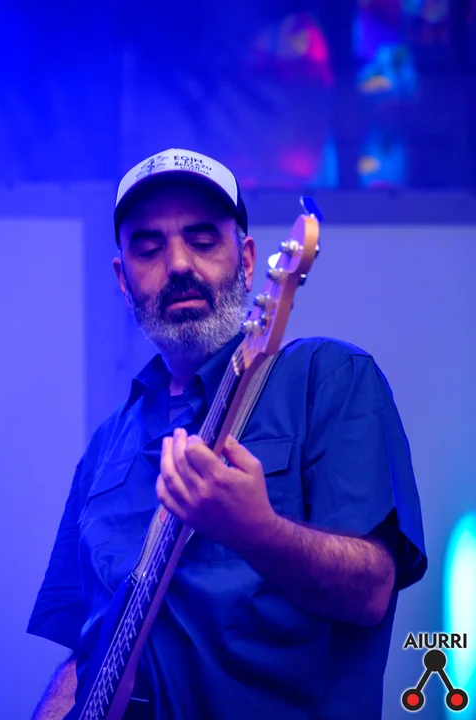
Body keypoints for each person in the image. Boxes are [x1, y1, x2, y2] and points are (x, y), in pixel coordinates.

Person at [28, 148, 427, 720]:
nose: (178, 264)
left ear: (247, 259)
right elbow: (83, 650)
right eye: (148, 248)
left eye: (202, 239)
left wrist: (257, 531)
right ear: (122, 279)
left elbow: (371, 591)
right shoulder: (104, 447)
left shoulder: (329, 377)